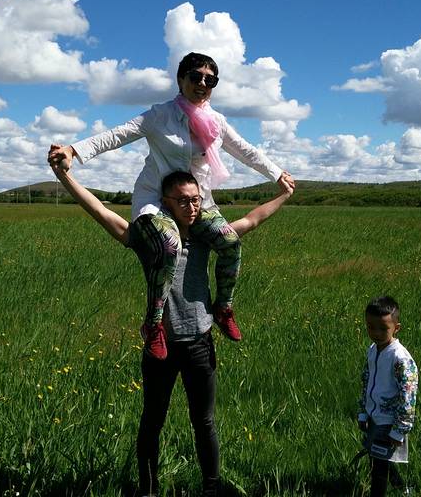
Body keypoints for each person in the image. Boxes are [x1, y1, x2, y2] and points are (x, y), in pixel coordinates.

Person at [48, 160, 293, 497]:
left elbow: (252, 219)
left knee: (204, 422)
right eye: (182, 200)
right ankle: (148, 490)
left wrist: (284, 195)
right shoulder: (152, 241)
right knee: (152, 421)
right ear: (166, 203)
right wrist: (64, 177)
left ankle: (211, 489)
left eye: (195, 199)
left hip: (200, 342)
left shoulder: (206, 238)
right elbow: (102, 214)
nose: (191, 207)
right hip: (161, 346)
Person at [48, 52, 294, 360]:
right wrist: (73, 150)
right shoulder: (160, 115)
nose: (202, 83)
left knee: (230, 243)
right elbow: (116, 135)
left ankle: (223, 308)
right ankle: (153, 324)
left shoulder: (216, 122)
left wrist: (277, 173)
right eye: (196, 76)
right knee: (168, 245)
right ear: (180, 79)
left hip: (196, 200)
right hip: (157, 199)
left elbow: (246, 150)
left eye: (210, 80)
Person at [358, 296, 418, 497]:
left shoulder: (400, 357)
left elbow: (408, 394)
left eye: (383, 328)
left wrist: (399, 430)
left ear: (396, 328)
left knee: (379, 466)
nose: (376, 333)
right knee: (377, 457)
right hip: (374, 416)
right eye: (370, 327)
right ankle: (402, 488)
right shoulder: (373, 350)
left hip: (390, 421)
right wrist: (363, 412)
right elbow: (367, 381)